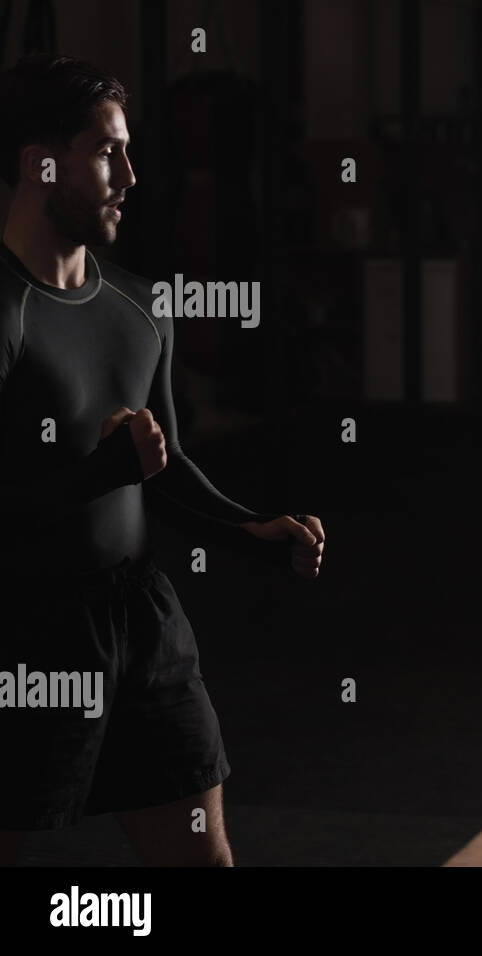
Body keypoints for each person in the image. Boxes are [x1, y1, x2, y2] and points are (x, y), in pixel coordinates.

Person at [0, 53, 324, 866]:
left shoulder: (140, 307)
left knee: (203, 859)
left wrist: (249, 530)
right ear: (40, 163)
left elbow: (163, 463)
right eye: (108, 151)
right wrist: (99, 475)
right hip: (24, 629)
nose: (131, 175)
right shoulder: (5, 312)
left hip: (142, 623)